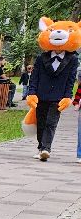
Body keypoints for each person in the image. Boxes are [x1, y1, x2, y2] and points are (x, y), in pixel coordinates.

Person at [27, 27, 79, 162]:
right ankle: (41, 147)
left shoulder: (72, 59)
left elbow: (71, 80)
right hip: (41, 95)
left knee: (51, 122)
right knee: (41, 123)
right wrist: (32, 92)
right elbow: (35, 77)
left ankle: (46, 149)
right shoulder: (41, 58)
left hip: (58, 96)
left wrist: (67, 96)